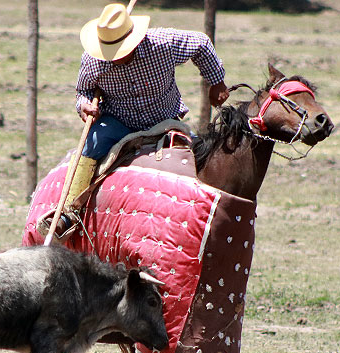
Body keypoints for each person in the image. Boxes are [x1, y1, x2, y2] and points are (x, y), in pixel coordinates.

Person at [42, 3, 229, 240]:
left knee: (196, 156)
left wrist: (217, 82)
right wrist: (85, 105)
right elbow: (83, 90)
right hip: (118, 121)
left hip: (164, 119)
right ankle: (68, 212)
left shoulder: (162, 44)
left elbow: (201, 43)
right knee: (91, 145)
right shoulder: (94, 60)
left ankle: (205, 214)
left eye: (120, 49)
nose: (115, 57)